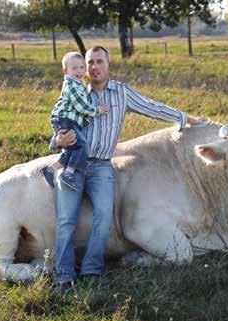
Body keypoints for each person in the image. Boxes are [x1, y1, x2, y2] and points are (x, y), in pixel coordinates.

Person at [50, 46, 207, 293]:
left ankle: (91, 271)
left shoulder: (121, 93)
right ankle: (64, 277)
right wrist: (57, 141)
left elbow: (152, 108)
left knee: (104, 218)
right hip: (72, 163)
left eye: (99, 62)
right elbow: (59, 119)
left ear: (108, 64)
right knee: (65, 220)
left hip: (102, 166)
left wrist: (186, 118)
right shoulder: (76, 89)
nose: (93, 67)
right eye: (89, 63)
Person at [42, 51, 110, 191]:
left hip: (69, 121)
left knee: (73, 149)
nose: (79, 71)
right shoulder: (72, 86)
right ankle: (68, 174)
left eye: (81, 67)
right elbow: (82, 107)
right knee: (83, 146)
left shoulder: (78, 83)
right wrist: (98, 110)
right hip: (65, 120)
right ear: (66, 71)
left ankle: (50, 170)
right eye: (74, 68)